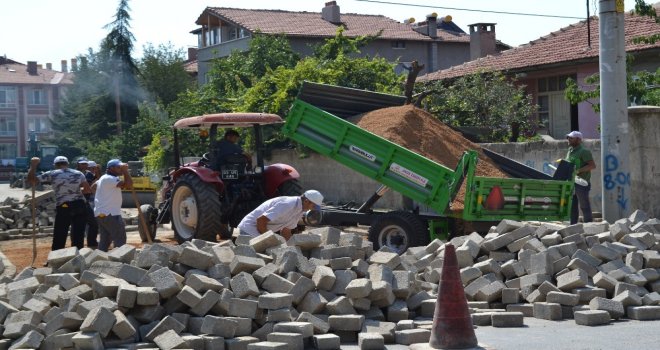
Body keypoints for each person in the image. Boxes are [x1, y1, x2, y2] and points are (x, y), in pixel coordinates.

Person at [27, 156, 92, 251]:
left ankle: (56, 257)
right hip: (79, 204)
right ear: (67, 164)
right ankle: (77, 257)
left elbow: (31, 180)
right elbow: (87, 190)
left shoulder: (52, 174)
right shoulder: (78, 173)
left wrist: (33, 166)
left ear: (55, 165)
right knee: (78, 233)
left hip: (64, 206)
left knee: (60, 233)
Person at [237, 190, 324, 241]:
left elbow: (286, 231)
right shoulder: (287, 204)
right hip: (248, 230)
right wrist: (270, 240)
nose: (313, 209)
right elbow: (261, 221)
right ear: (306, 201)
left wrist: (290, 248)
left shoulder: (300, 210)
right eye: (313, 206)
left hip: (259, 232)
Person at [94, 159, 133, 252]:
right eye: (118, 167)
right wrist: (125, 171)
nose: (120, 169)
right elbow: (129, 184)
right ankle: (120, 260)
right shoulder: (110, 179)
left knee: (105, 239)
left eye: (121, 167)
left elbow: (93, 187)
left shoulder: (103, 178)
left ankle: (99, 258)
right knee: (120, 238)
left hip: (101, 213)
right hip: (111, 213)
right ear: (111, 168)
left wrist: (103, 197)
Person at [565, 131, 596, 225]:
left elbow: (592, 166)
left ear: (578, 140)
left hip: (581, 183)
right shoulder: (570, 151)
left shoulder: (584, 151)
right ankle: (573, 225)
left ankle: (589, 226)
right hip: (571, 183)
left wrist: (578, 171)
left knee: (584, 205)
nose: (568, 139)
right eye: (568, 137)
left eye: (571, 138)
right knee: (572, 206)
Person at [75, 157, 99, 248]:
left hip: (86, 201)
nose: (85, 165)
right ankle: (77, 245)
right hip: (76, 201)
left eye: (86, 164)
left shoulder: (88, 174)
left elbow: (94, 182)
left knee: (93, 223)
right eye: (82, 164)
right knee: (77, 225)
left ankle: (92, 243)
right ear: (78, 164)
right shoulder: (74, 174)